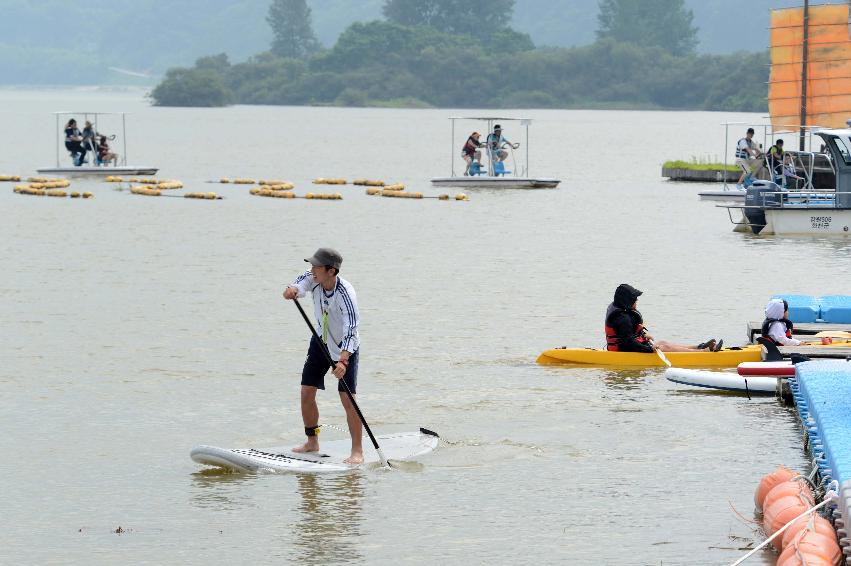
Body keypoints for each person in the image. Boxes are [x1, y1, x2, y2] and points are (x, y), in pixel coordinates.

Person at [282, 248, 363, 464]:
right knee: (306, 392)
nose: (312, 270)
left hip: (346, 349)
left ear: (331, 271)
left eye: (316, 266)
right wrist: (292, 290)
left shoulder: (346, 294)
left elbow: (351, 329)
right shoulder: (314, 278)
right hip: (321, 343)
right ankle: (312, 442)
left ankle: (357, 451)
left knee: (348, 400)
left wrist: (343, 360)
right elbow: (300, 283)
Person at [605, 284, 722, 353]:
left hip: (628, 346)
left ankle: (699, 347)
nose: (636, 301)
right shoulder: (622, 319)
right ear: (626, 301)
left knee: (663, 343)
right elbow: (628, 342)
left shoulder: (621, 310)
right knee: (663, 346)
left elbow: (629, 335)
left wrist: (643, 335)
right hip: (623, 351)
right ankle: (702, 353)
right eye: (634, 299)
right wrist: (650, 350)